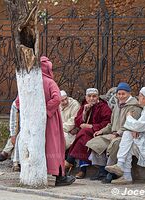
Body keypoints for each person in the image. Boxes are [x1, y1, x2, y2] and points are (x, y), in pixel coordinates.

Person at [86, 82, 142, 183]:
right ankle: (102, 170)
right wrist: (101, 131)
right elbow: (111, 124)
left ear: (129, 94)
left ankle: (111, 173)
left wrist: (117, 134)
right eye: (119, 94)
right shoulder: (117, 106)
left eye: (123, 94)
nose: (121, 96)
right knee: (96, 142)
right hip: (112, 133)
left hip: (125, 135)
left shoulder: (134, 107)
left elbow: (131, 125)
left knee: (115, 144)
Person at [105, 86, 145, 184]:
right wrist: (135, 129)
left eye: (140, 96)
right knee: (127, 142)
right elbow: (140, 126)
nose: (138, 98)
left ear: (144, 98)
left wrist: (129, 117)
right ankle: (126, 175)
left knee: (127, 134)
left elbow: (139, 126)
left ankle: (121, 165)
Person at [40, 56, 75, 186]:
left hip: (35, 121)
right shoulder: (50, 82)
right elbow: (57, 99)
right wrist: (46, 111)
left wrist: (34, 112)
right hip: (50, 120)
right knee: (54, 145)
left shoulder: (31, 81)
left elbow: (19, 102)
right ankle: (59, 177)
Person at [65, 88, 112, 179]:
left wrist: (92, 126)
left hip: (98, 131)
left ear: (98, 97)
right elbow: (77, 121)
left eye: (94, 96)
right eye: (89, 96)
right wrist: (84, 113)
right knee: (83, 136)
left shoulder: (103, 107)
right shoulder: (84, 106)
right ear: (86, 97)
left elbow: (108, 122)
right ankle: (79, 167)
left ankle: (73, 162)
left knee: (83, 134)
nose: (91, 98)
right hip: (85, 133)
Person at [0, 99, 20, 171]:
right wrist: (13, 135)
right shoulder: (16, 103)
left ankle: (6, 152)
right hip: (20, 128)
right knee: (15, 136)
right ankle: (6, 153)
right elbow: (13, 121)